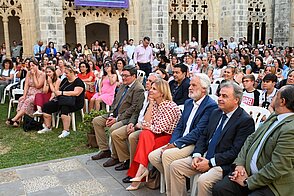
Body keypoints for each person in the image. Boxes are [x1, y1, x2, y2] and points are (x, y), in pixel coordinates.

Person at [169, 81, 255, 196]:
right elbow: (203, 136)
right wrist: (197, 155)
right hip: (204, 156)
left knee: (203, 181)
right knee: (176, 167)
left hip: (222, 163)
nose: (219, 98)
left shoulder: (245, 121)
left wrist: (210, 163)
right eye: (219, 95)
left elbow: (235, 152)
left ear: (236, 100)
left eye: (225, 96)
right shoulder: (216, 112)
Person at [213, 85, 294, 196]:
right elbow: (250, 139)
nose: (273, 98)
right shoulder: (275, 116)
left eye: (276, 95)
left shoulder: (290, 129)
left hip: (271, 184)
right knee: (221, 189)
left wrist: (248, 182)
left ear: (282, 101)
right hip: (247, 172)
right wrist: (240, 164)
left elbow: (278, 167)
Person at [148, 73, 218, 195]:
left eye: (194, 85)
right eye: (190, 84)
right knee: (153, 156)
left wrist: (176, 144)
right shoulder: (188, 102)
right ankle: (179, 184)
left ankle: (172, 193)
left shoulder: (210, 106)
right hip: (180, 140)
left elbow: (198, 132)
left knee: (167, 156)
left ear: (204, 89)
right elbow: (179, 126)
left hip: (193, 143)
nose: (189, 87)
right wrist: (172, 142)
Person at [125, 79, 181, 191]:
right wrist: (150, 104)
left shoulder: (170, 106)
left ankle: (139, 173)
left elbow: (158, 128)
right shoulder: (155, 104)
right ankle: (142, 170)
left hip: (168, 137)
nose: (150, 90)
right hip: (155, 134)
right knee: (145, 135)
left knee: (145, 138)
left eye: (154, 89)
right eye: (151, 88)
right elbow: (147, 122)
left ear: (162, 93)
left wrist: (145, 126)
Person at [103, 73, 161, 173]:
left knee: (131, 136)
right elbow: (136, 111)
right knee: (116, 134)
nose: (147, 83)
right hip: (135, 122)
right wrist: (131, 123)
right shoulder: (144, 94)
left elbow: (152, 121)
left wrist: (137, 126)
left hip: (145, 128)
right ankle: (125, 159)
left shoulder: (157, 99)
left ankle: (133, 169)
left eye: (151, 82)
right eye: (147, 80)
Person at [91, 66, 145, 160]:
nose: (123, 78)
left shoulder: (138, 89)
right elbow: (115, 102)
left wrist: (116, 119)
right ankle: (105, 150)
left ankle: (116, 157)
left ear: (134, 76)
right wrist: (111, 115)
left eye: (126, 76)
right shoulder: (123, 85)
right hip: (115, 114)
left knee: (113, 128)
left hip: (126, 118)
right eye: (122, 75)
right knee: (97, 121)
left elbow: (133, 109)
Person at [39, 64, 85, 138]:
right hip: (62, 99)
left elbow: (76, 93)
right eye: (65, 73)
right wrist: (54, 95)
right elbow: (58, 90)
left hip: (75, 102)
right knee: (47, 106)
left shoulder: (79, 82)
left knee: (65, 107)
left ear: (72, 72)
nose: (65, 75)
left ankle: (66, 130)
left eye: (66, 73)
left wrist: (62, 93)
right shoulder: (65, 80)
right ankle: (48, 127)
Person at [6, 60, 45, 127]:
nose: (32, 67)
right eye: (30, 66)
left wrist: (34, 75)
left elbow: (38, 85)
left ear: (37, 66)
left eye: (33, 65)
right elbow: (26, 85)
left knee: (28, 101)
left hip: (37, 94)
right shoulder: (28, 73)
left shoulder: (42, 74)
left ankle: (14, 119)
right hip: (29, 93)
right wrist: (24, 95)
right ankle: (18, 121)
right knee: (21, 100)